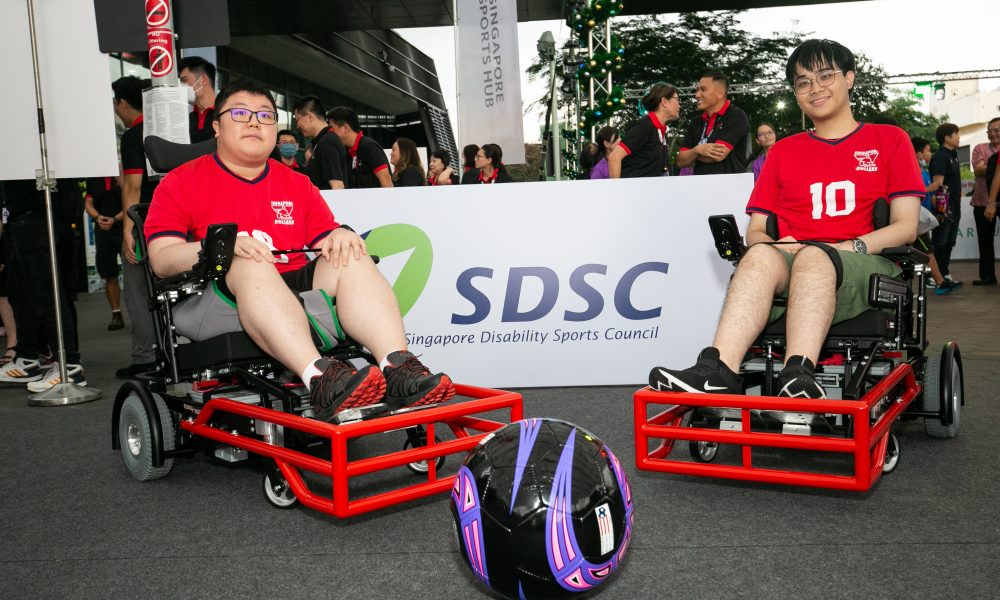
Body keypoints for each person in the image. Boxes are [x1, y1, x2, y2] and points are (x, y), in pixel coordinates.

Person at [143, 80, 455, 420]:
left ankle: (398, 368)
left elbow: (325, 237)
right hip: (216, 295)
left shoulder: (296, 183)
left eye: (265, 116)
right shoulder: (181, 181)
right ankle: (319, 377)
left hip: (287, 290)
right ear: (216, 126)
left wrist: (339, 236)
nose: (254, 122)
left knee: (349, 253)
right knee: (247, 258)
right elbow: (161, 258)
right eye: (240, 114)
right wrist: (222, 247)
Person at [649, 39, 922, 399]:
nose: (815, 88)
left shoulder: (889, 139)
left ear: (849, 78)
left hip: (863, 262)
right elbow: (757, 231)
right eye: (803, 82)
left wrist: (846, 247)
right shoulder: (783, 152)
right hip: (794, 260)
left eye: (825, 76)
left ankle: (798, 374)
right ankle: (718, 369)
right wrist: (775, 245)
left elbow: (906, 226)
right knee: (758, 255)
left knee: (815, 256)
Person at [0, 179, 87, 391]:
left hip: (40, 214)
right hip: (20, 215)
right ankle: (27, 360)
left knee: (47, 293)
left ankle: (69, 366)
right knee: (19, 292)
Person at [113, 75, 158, 378]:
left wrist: (127, 231)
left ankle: (145, 358)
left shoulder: (133, 137)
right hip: (176, 222)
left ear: (122, 103)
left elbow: (132, 186)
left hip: (145, 222)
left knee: (138, 293)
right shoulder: (163, 130)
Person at [676, 71, 751, 175]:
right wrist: (697, 150)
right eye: (697, 90)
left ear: (720, 94)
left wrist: (691, 155)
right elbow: (680, 161)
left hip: (730, 184)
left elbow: (717, 155)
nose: (697, 95)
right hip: (701, 184)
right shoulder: (696, 122)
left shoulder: (735, 115)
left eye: (703, 89)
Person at [912, 137, 958, 295]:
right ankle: (939, 282)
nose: (930, 154)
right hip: (914, 219)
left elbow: (930, 196)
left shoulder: (924, 173)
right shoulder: (910, 171)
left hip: (922, 219)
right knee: (928, 251)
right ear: (919, 154)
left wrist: (941, 209)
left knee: (927, 250)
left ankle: (937, 281)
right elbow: (912, 193)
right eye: (928, 150)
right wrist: (929, 188)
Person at [608, 83, 680, 178]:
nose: (679, 105)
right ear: (664, 102)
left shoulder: (660, 130)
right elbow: (614, 157)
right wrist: (616, 187)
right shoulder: (644, 126)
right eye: (677, 99)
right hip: (634, 186)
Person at [85, 176, 125, 328]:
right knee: (109, 274)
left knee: (134, 271)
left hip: (124, 228)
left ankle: (140, 312)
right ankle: (116, 314)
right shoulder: (93, 178)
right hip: (102, 230)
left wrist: (115, 219)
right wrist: (98, 217)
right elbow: (88, 204)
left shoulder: (122, 176)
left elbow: (131, 200)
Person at [326, 106, 393, 189]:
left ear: (345, 128)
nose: (330, 134)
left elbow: (385, 178)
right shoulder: (347, 151)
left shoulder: (368, 146)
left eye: (332, 129)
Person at [929, 123, 963, 286]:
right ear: (947, 138)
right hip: (945, 206)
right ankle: (932, 277)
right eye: (956, 134)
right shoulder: (940, 157)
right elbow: (938, 184)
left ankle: (944, 274)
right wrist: (942, 210)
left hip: (955, 205)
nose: (959, 138)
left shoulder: (954, 155)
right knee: (940, 241)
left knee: (950, 241)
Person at [291, 96, 347, 190]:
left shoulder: (327, 142)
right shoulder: (322, 141)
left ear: (309, 117)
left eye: (297, 120)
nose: (297, 126)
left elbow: (337, 185)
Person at [970, 117, 999, 285]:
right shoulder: (979, 148)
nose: (993, 134)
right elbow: (978, 170)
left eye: (997, 130)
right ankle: (987, 276)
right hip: (983, 201)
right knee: (985, 241)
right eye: (990, 131)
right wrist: (996, 166)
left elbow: (984, 168)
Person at [178, 56, 217, 143]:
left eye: (184, 80)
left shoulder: (226, 115)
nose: (181, 86)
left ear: (203, 80)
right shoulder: (185, 121)